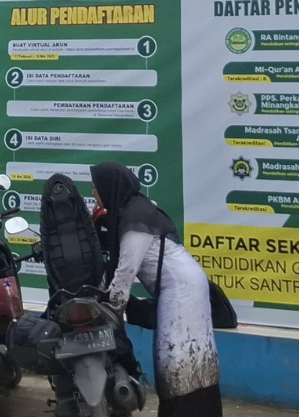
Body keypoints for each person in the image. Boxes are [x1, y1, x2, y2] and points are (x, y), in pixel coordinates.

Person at [91, 161, 220, 417]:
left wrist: (108, 307)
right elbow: (113, 269)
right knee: (186, 357)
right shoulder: (133, 210)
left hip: (182, 290)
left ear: (109, 187)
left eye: (96, 187)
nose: (94, 193)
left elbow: (125, 272)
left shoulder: (135, 220)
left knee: (179, 360)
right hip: (184, 286)